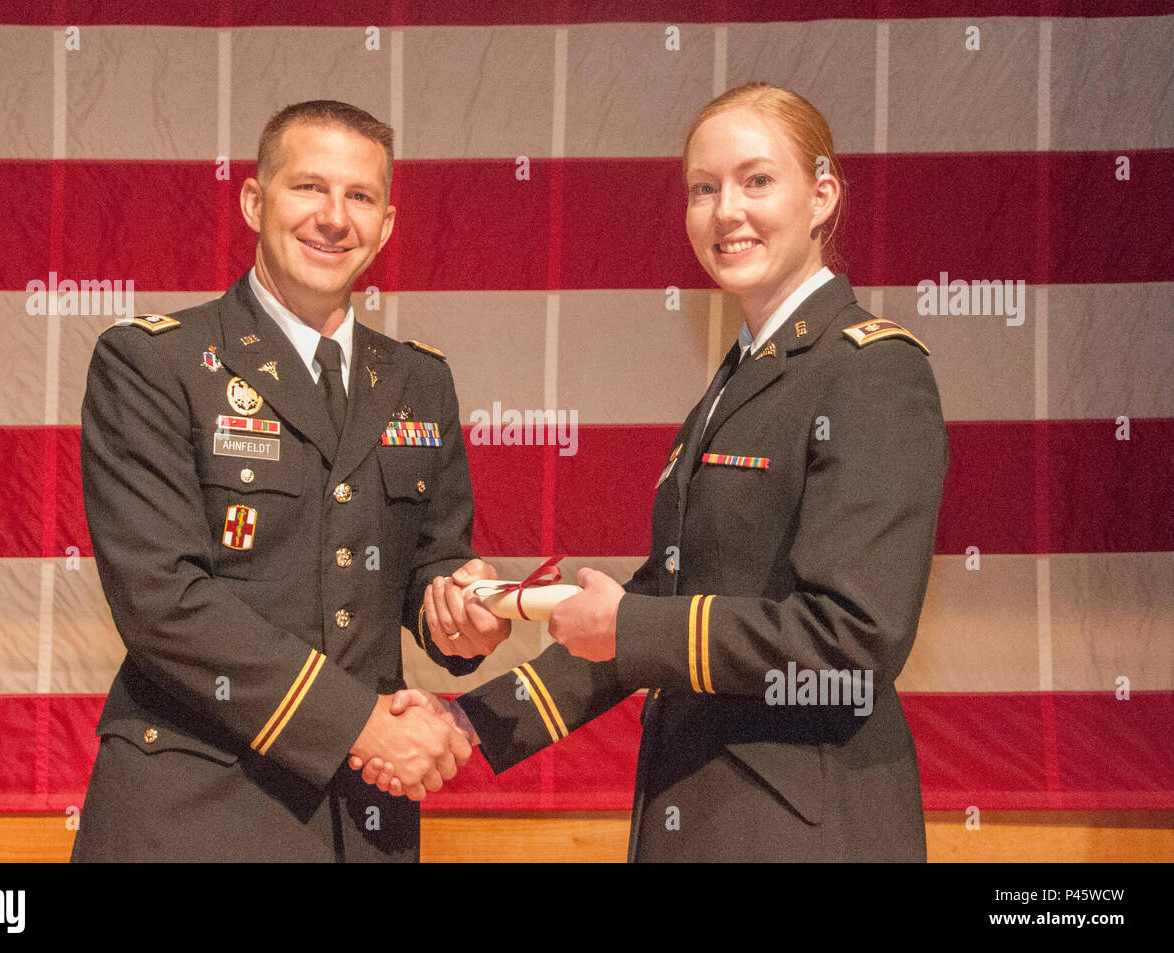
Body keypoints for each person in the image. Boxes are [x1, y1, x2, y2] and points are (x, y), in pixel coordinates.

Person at [355, 83, 949, 862]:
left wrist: (627, 626)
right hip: (700, 813)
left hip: (805, 829)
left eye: (757, 180)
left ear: (823, 194)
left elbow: (853, 637)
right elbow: (665, 601)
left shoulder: (871, 372)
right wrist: (473, 719)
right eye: (704, 189)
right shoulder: (739, 380)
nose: (727, 210)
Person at [72, 100, 510, 862]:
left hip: (364, 820)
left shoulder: (419, 380)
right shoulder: (154, 363)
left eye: (360, 197)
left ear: (387, 225)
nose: (333, 217)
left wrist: (460, 610)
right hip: (192, 809)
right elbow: (163, 601)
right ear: (254, 201)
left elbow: (428, 561)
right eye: (309, 187)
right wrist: (357, 722)